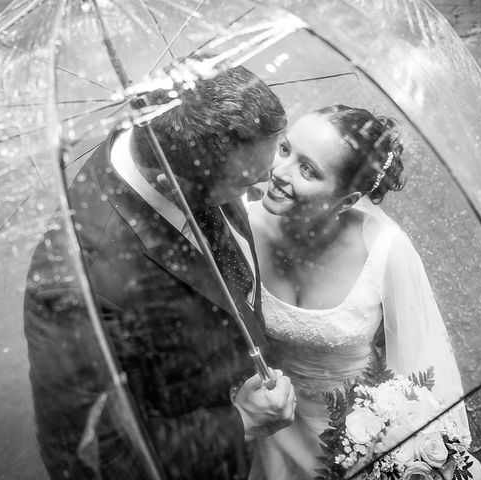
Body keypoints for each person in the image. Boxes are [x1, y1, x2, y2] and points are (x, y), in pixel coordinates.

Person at [23, 65, 296, 480]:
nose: (258, 193)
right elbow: (95, 456)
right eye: (243, 183)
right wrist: (238, 422)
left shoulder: (189, 145)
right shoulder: (78, 282)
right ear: (170, 184)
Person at [247, 105, 481, 479]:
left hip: (355, 436)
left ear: (344, 200)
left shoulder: (386, 252)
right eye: (286, 149)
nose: (279, 172)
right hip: (263, 423)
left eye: (308, 170)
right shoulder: (239, 229)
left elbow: (416, 362)